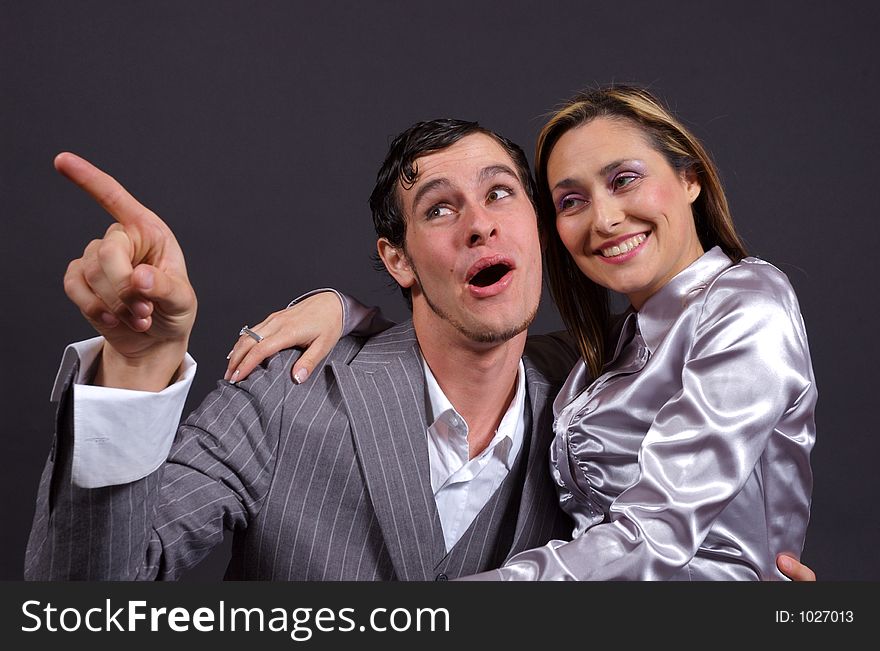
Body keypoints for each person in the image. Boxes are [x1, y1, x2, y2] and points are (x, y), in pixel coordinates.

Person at [229, 87, 817, 580]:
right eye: (571, 200)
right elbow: (467, 344)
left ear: (689, 178)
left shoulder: (749, 306)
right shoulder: (600, 356)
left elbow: (656, 535)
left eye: (625, 179)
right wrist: (343, 309)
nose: (605, 218)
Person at [25, 120, 577, 580]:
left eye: (499, 193)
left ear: (538, 227)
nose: (480, 225)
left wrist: (344, 308)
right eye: (438, 209)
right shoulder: (286, 392)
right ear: (398, 260)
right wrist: (135, 368)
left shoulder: (590, 406)